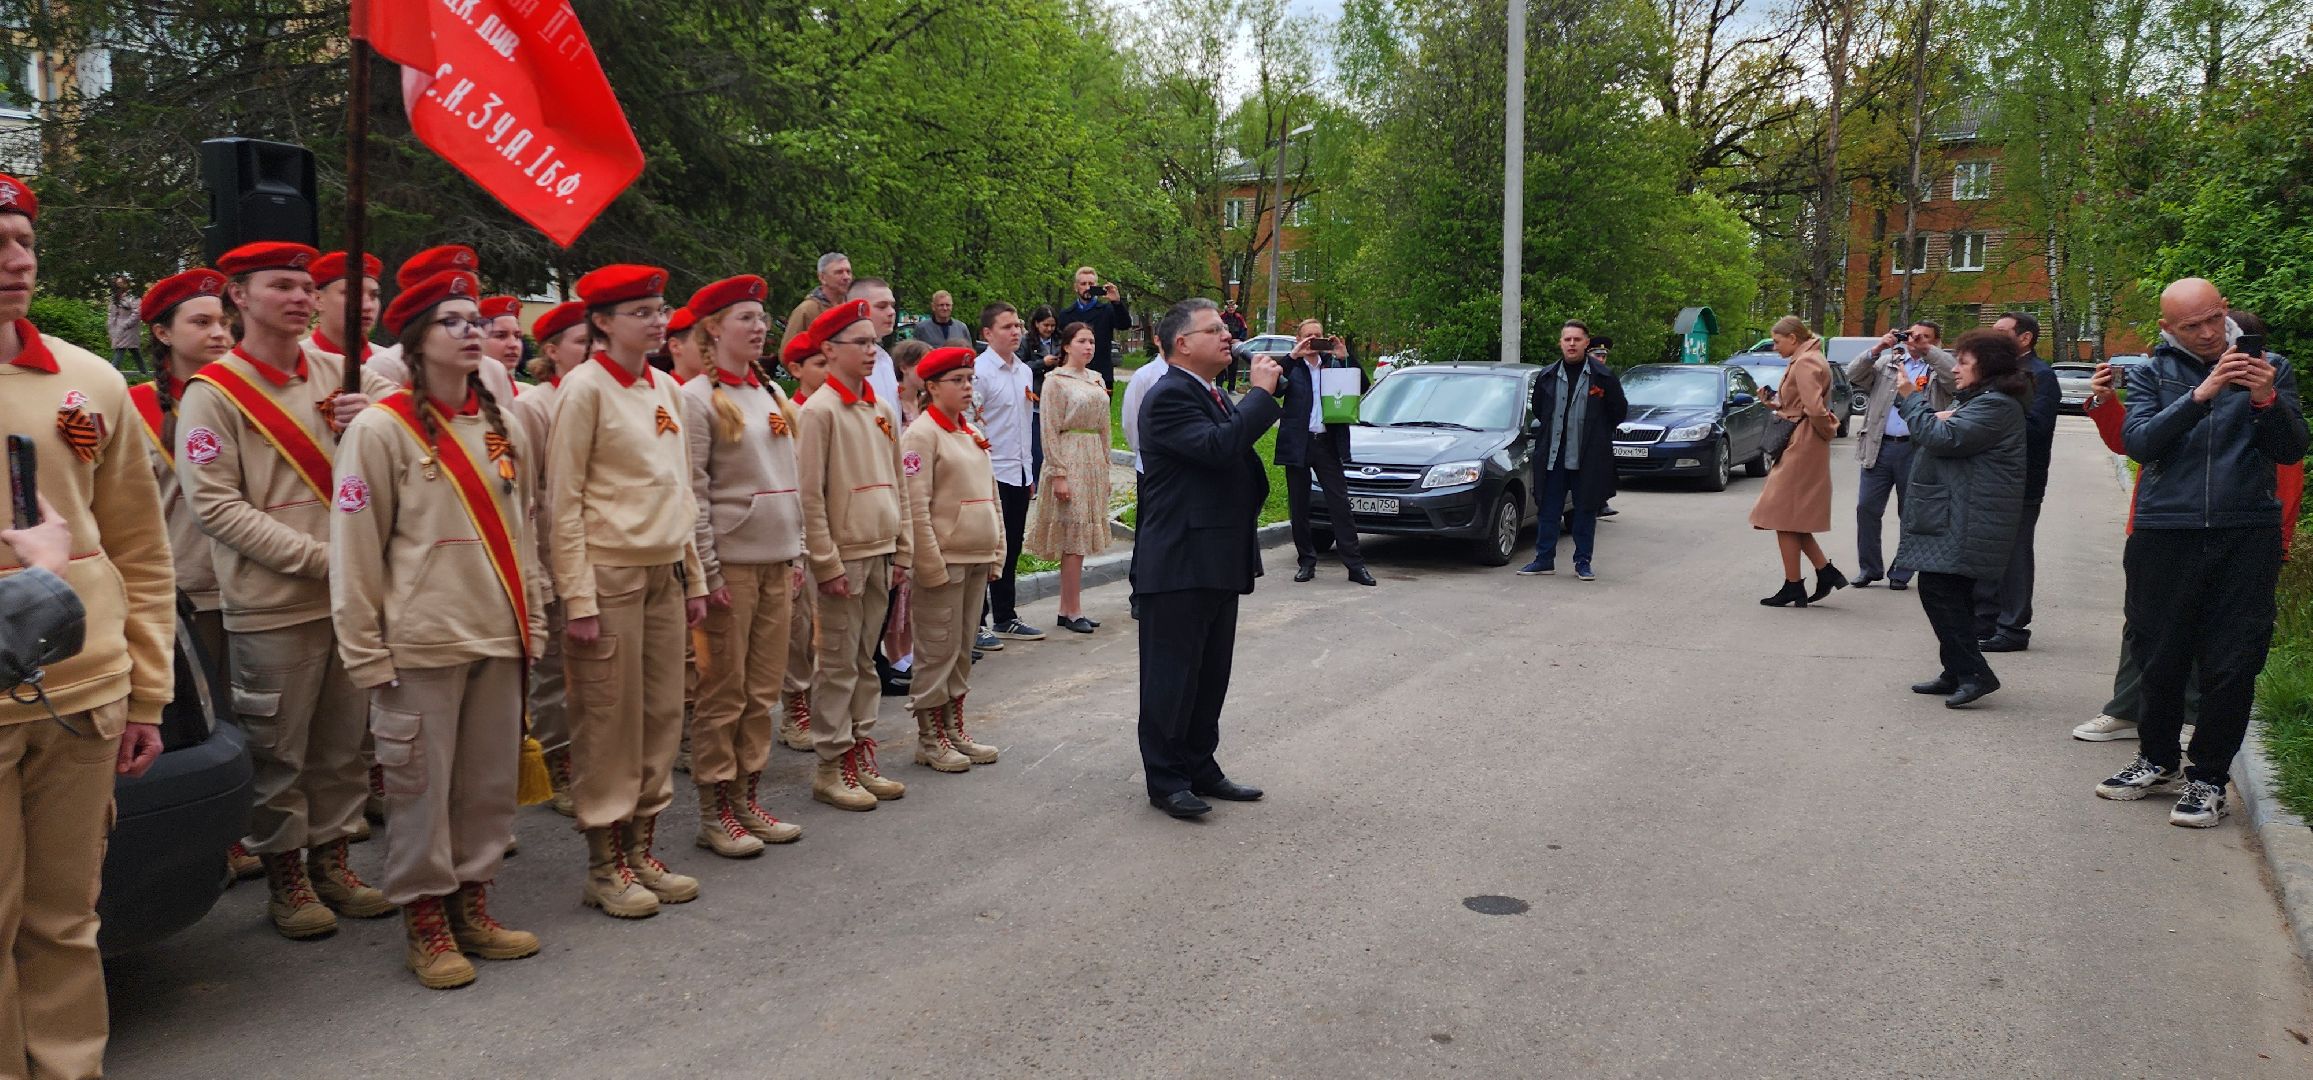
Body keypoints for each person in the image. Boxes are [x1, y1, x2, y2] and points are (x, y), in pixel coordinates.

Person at [0, 172, 172, 1080]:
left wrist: (147, 691)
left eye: (24, 239)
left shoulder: (90, 379)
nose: (16, 262)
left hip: (82, 698)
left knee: (65, 918)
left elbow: (142, 550)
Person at [331, 269, 547, 989]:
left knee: (486, 785)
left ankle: (473, 902)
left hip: (498, 631)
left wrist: (534, 616)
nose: (471, 332)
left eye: (474, 320)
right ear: (415, 341)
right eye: (451, 320)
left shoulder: (503, 423)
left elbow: (524, 533)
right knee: (421, 791)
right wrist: (364, 650)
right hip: (419, 643)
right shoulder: (377, 429)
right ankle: (425, 919)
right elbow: (355, 548)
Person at [180, 241, 397, 940]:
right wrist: (324, 559)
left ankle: (334, 859)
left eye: (307, 286)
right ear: (239, 297)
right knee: (279, 749)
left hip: (349, 598)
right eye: (282, 286)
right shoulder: (212, 394)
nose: (301, 297)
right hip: (272, 601)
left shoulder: (347, 374)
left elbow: (407, 456)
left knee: (344, 744)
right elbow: (217, 507)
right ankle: (287, 876)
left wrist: (372, 424)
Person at [2095, 278, 2308, 827]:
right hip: (2166, 529)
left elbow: (2292, 448)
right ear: (2168, 329)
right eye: (2194, 326)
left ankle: (2209, 778)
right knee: (2159, 655)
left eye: (2215, 317)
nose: (2211, 332)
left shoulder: (2271, 367)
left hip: (2245, 529)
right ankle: (2157, 758)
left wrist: (2265, 400)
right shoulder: (2152, 372)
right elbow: (2139, 443)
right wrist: (2200, 395)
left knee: (2232, 661)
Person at [545, 263, 710, 917]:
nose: (655, 318)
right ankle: (604, 863)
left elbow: (679, 491)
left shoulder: (665, 385)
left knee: (661, 717)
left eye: (658, 307)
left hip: (665, 572)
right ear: (603, 322)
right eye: (639, 310)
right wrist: (578, 597)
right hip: (609, 577)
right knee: (609, 722)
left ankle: (641, 847)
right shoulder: (584, 390)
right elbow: (564, 501)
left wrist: (693, 575)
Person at [1131, 297, 1279, 820]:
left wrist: (1293, 378)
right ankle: (1166, 779)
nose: (1227, 336)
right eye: (1213, 329)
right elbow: (1219, 449)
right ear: (1182, 344)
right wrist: (1260, 395)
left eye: (1225, 327)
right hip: (1178, 561)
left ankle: (1200, 765)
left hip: (1213, 555)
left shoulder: (1210, 392)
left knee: (1210, 673)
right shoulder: (1169, 395)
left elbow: (1233, 448)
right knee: (1172, 676)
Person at [678, 275, 808, 857]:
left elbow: (791, 482)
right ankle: (714, 811)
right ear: (713, 329)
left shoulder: (770, 393)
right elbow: (694, 492)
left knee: (760, 694)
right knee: (722, 694)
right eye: (745, 319)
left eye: (762, 318)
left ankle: (747, 797)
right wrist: (706, 571)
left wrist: (799, 549)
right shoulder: (697, 398)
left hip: (778, 562)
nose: (759, 328)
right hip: (731, 568)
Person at [795, 299, 913, 811]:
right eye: (860, 343)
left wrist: (904, 548)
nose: (872, 351)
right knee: (838, 664)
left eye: (875, 342)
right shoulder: (818, 411)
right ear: (828, 349)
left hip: (882, 549)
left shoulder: (881, 409)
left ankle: (861, 752)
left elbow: (898, 486)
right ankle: (831, 764)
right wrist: (826, 561)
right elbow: (809, 495)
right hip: (846, 557)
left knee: (866, 662)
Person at [1892, 328, 2029, 709]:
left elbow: (1940, 438)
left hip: (1967, 518)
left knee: (1939, 592)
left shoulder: (1996, 405)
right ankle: (1955, 669)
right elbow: (1946, 432)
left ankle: (1975, 673)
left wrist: (1910, 396)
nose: (1955, 369)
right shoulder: (1984, 401)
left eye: (1964, 362)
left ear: (1986, 366)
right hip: (1959, 514)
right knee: (1952, 595)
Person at [900, 346, 1005, 773]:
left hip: (975, 557)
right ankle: (930, 737)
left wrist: (997, 548)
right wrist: (928, 562)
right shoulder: (922, 435)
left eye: (969, 379)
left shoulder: (969, 431)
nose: (967, 387)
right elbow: (915, 505)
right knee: (937, 651)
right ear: (931, 387)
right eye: (957, 381)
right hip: (944, 561)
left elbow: (991, 494)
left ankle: (953, 728)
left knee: (961, 649)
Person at [511, 301, 590, 815]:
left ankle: (590, 757)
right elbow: (532, 490)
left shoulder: (597, 395)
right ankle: (559, 762)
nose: (590, 352)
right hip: (551, 547)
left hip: (595, 548)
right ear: (553, 351)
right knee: (556, 669)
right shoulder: (535, 405)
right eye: (580, 342)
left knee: (593, 666)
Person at [1847, 321, 1957, 590]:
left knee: (1911, 512)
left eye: (1926, 337)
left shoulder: (1937, 368)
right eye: (1913, 335)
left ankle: (1902, 571)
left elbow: (1955, 383)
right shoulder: (1888, 364)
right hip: (1880, 446)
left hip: (1918, 449)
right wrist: (1878, 347)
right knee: (1867, 508)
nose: (1917, 340)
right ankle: (1869, 568)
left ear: (1936, 341)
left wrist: (1928, 350)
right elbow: (1853, 374)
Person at [1973, 311, 2059, 651]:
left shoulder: (2040, 375)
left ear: (2025, 338)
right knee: (1988, 551)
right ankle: (1986, 620)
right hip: (1989, 477)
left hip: (2022, 479)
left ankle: (2013, 628)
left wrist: (1990, 422)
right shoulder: (1998, 373)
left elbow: (2037, 429)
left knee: (2015, 554)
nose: (1994, 336)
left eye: (2002, 331)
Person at [1517, 321, 1627, 581]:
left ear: (1586, 343)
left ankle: (1583, 563)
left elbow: (1618, 411)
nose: (1572, 344)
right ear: (1560, 343)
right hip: (1553, 457)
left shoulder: (1603, 377)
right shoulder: (1548, 376)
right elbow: (1542, 412)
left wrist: (1597, 435)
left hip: (1587, 458)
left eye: (1577, 339)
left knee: (1585, 510)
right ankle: (1544, 560)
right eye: (1567, 339)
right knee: (1548, 509)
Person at [1751, 315, 1847, 606]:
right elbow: (1801, 405)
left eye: (1777, 342)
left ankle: (1798, 583)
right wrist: (1775, 404)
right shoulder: (1809, 357)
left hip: (1803, 443)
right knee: (1791, 517)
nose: (1775, 348)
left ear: (1793, 338)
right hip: (1803, 439)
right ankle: (1822, 573)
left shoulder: (1806, 361)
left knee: (1781, 514)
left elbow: (1815, 408)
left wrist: (1825, 431)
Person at [1025, 321, 1115, 631]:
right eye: (1082, 341)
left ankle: (1069, 608)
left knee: (1079, 540)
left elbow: (1105, 426)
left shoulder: (1097, 379)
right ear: (1066, 346)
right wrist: (1058, 474)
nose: (1089, 347)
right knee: (1072, 537)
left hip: (1091, 458)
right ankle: (1071, 609)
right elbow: (1048, 429)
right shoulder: (1055, 381)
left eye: (1091, 341)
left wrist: (1105, 468)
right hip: (1068, 454)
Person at [1275, 317, 1374, 587]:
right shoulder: (1292, 368)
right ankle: (1306, 561)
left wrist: (1346, 357)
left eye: (1318, 335)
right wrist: (1293, 356)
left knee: (1339, 503)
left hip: (1327, 442)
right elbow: (1272, 387)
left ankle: (1355, 565)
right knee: (1299, 505)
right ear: (1299, 340)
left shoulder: (1334, 364)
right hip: (1298, 442)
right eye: (1308, 336)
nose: (1313, 340)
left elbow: (1363, 387)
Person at [973, 302, 1044, 642]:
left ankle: (1005, 614)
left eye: (1017, 325)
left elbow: (1023, 425)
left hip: (1018, 472)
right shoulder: (979, 372)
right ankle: (977, 622)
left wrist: (1029, 472)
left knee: (1012, 545)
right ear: (987, 334)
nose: (1016, 331)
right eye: (1007, 326)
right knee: (988, 549)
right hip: (991, 472)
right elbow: (974, 425)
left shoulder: (1024, 371)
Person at [776, 329, 830, 754]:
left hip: (830, 532)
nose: (828, 372)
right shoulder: (789, 413)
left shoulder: (832, 410)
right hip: (798, 535)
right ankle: (796, 709)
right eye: (819, 364)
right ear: (797, 369)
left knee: (825, 630)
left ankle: (821, 706)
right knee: (797, 630)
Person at [1064, 266, 1133, 386]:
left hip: (1101, 375)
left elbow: (1124, 324)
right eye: (1083, 284)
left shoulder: (1107, 310)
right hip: (1073, 376)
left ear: (1096, 286)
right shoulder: (1066, 315)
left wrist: (1116, 302)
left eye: (1091, 284)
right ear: (1076, 287)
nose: (1087, 288)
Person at [846, 277, 905, 408]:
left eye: (892, 306)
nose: (891, 312)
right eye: (882, 306)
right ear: (859, 309)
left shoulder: (885, 358)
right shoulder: (846, 361)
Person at [779, 251, 851, 352]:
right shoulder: (807, 311)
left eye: (848, 272)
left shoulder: (852, 309)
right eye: (839, 272)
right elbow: (787, 353)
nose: (846, 277)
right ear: (822, 277)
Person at [1121, 347, 1172, 473]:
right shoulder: (1144, 376)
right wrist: (1142, 450)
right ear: (1158, 340)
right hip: (1151, 464)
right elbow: (1130, 421)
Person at [480, 294, 527, 390]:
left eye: (517, 336)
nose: (513, 344)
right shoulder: (460, 396)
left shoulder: (529, 396)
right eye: (501, 336)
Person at [108, 274, 144, 373]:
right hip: (117, 326)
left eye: (121, 283)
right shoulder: (115, 297)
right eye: (118, 283)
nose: (119, 285)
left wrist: (126, 324)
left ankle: (112, 372)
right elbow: (112, 314)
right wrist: (111, 327)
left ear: (126, 283)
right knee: (133, 350)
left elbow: (137, 312)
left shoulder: (133, 297)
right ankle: (143, 372)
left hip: (129, 327)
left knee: (121, 348)